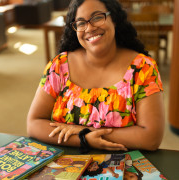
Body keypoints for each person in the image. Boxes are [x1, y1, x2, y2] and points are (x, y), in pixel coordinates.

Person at [27, 0, 164, 151]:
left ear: (115, 19)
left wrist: (84, 132)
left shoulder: (143, 68)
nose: (89, 28)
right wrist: (83, 140)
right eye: (80, 23)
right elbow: (34, 123)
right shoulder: (59, 65)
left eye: (97, 17)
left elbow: (151, 138)